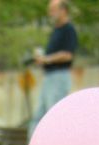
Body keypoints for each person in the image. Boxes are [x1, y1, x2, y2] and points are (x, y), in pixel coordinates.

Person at [29, 0, 78, 135]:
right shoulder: (56, 30)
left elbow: (68, 55)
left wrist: (47, 59)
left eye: (53, 10)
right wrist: (41, 60)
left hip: (59, 76)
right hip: (48, 76)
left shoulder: (69, 30)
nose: (50, 13)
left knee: (54, 114)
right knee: (39, 116)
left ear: (63, 10)